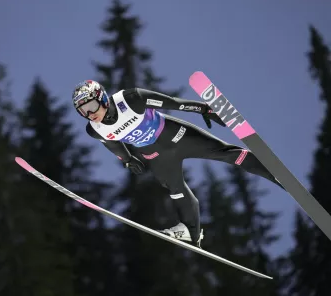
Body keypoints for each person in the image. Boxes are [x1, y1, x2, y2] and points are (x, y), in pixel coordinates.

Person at [71, 79, 284, 248]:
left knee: (227, 154)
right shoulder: (94, 129)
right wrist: (127, 160)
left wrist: (203, 109)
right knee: (175, 189)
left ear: (103, 98)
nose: (89, 114)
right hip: (156, 155)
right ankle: (191, 231)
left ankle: (274, 173)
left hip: (178, 136)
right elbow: (112, 143)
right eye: (82, 112)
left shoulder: (131, 99)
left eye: (90, 106)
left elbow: (174, 103)